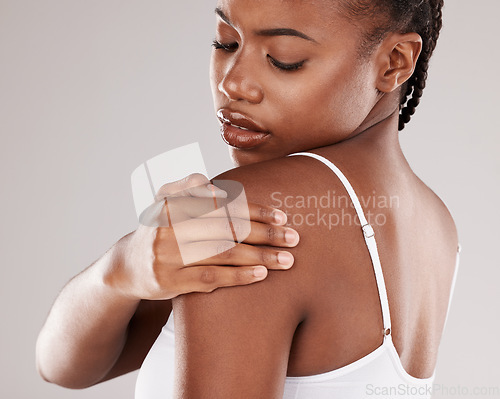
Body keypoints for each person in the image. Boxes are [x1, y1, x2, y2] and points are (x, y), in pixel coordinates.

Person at [37, 0, 461, 398]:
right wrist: (122, 269)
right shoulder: (437, 222)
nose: (233, 82)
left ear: (395, 62)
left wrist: (121, 267)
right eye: (227, 42)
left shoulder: (249, 205)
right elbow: (66, 366)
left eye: (283, 58)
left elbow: (62, 370)